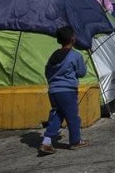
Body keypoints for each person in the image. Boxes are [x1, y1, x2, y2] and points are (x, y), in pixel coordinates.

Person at [39, 26, 91, 154]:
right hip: (67, 92)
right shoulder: (75, 56)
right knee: (73, 117)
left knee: (57, 115)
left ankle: (46, 141)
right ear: (73, 39)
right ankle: (75, 141)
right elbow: (82, 73)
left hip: (53, 91)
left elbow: (47, 72)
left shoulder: (53, 56)